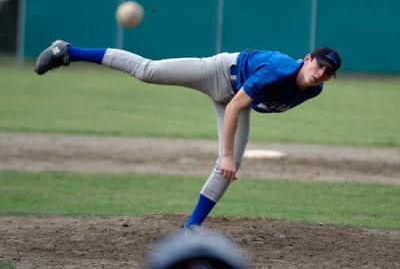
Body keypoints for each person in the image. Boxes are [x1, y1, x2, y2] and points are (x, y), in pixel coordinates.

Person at [35, 40, 341, 228]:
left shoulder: (314, 91)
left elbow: (242, 103)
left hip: (238, 95)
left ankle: (192, 226)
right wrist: (224, 154)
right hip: (220, 72)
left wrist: (229, 157)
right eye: (320, 66)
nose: (321, 74)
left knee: (231, 165)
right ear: (307, 58)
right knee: (148, 71)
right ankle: (68, 52)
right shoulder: (278, 69)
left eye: (328, 73)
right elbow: (235, 106)